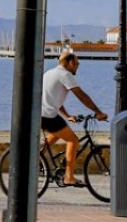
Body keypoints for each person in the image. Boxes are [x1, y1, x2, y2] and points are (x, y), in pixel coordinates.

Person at [40, 48, 106, 186]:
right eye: (77, 63)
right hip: (47, 116)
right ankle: (69, 177)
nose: (78, 65)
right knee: (73, 140)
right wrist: (98, 112)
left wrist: (67, 116)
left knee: (57, 133)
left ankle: (37, 157)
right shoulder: (65, 75)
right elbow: (81, 96)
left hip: (42, 114)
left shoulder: (50, 73)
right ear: (71, 62)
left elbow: (54, 100)